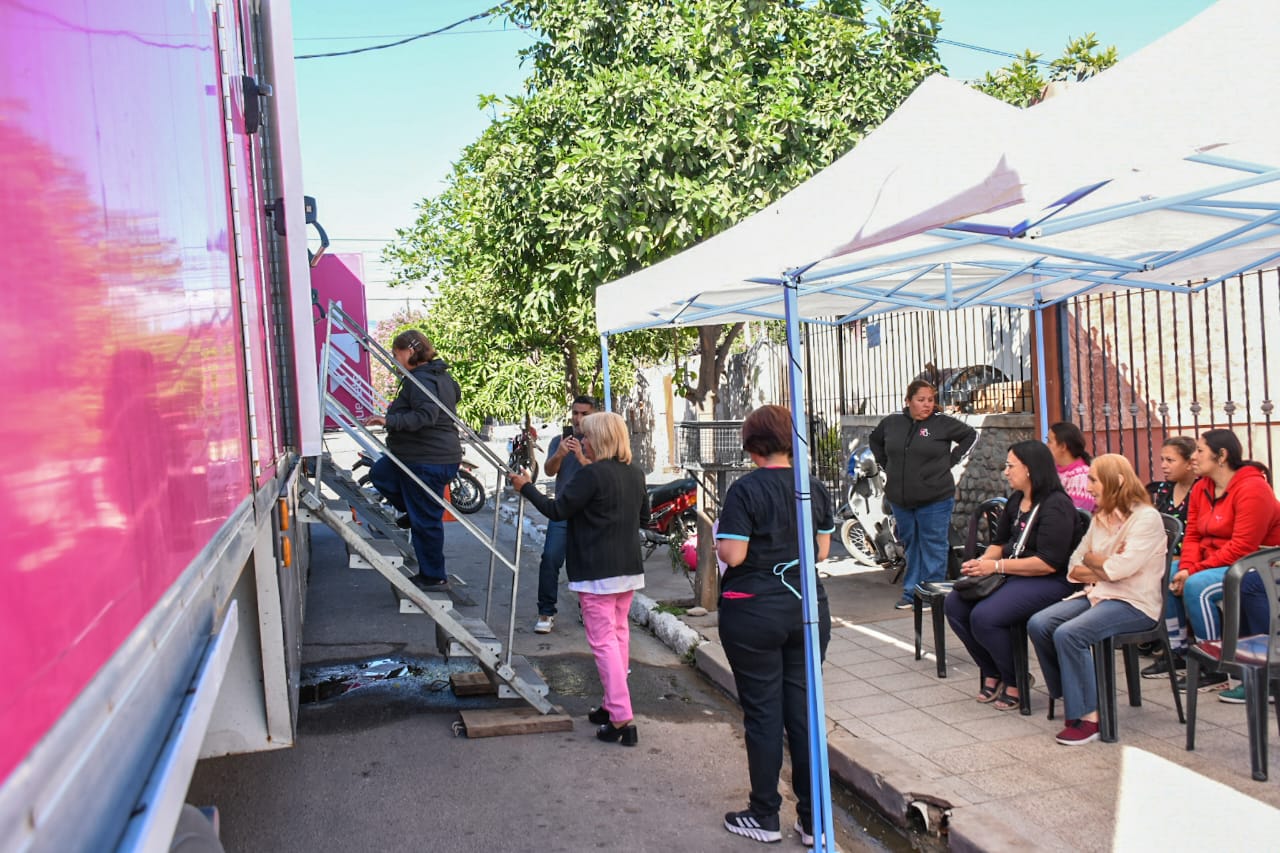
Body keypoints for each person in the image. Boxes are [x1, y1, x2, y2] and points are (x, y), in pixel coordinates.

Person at [714, 405, 836, 845]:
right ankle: (814, 819)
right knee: (804, 714)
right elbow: (822, 551)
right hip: (806, 609)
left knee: (764, 714)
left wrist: (718, 538)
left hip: (754, 612)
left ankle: (765, 814)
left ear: (752, 444)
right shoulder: (814, 487)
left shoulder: (745, 491)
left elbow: (734, 555)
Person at [510, 412, 648, 746]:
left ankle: (621, 717)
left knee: (604, 644)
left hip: (597, 572)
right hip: (627, 570)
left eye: (586, 436)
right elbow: (643, 516)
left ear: (599, 438)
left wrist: (525, 486)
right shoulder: (634, 473)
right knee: (618, 638)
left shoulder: (593, 476)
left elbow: (557, 511)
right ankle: (611, 704)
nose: (581, 440)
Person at [1028, 455, 1167, 745]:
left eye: (1093, 480)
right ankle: (1071, 691)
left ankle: (1088, 716)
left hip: (1134, 603)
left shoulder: (1146, 518)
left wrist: (1095, 562)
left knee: (1070, 633)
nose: (1088, 487)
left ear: (1115, 482)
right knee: (1040, 623)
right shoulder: (1102, 516)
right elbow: (1074, 567)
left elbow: (1119, 570)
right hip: (1099, 593)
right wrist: (1099, 562)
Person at [944, 441, 1083, 711]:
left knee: (985, 616)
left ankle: (1015, 678)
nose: (1005, 471)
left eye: (1011, 466)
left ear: (1030, 469)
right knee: (955, 604)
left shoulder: (1056, 506)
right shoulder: (1017, 500)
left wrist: (996, 568)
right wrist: (981, 564)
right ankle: (992, 670)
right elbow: (1000, 542)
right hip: (1015, 573)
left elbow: (1048, 563)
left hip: (1050, 581)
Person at [1142, 430, 1280, 688]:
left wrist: (1194, 571)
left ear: (1222, 456)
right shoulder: (1202, 487)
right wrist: (1185, 567)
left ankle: (1215, 666)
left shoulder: (1252, 488)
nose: (1193, 457)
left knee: (1197, 586)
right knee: (1167, 574)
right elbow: (1192, 534)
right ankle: (1180, 652)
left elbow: (1243, 546)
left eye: (1200, 451)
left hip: (1255, 564)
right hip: (1216, 561)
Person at [366, 330, 462, 590]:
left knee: (426, 521)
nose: (395, 361)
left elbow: (426, 415)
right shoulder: (439, 376)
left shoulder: (421, 380)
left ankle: (433, 576)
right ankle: (412, 511)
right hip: (420, 456)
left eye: (397, 355)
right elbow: (455, 396)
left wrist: (390, 420)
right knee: (381, 474)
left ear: (409, 352)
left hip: (427, 458)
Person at [870, 379, 977, 610]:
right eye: (921, 400)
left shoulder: (943, 424)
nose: (927, 405)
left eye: (930, 400)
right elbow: (874, 440)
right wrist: (886, 464)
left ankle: (932, 593)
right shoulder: (892, 423)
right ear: (908, 401)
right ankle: (911, 593)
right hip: (901, 498)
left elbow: (970, 435)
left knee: (933, 544)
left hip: (935, 497)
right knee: (911, 543)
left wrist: (952, 459)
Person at [533, 395, 596, 633]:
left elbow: (600, 472)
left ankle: (587, 608)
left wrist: (581, 455)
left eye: (584, 414)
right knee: (550, 559)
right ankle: (546, 612)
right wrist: (559, 453)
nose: (578, 419)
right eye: (575, 413)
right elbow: (549, 471)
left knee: (586, 564)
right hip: (562, 509)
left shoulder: (598, 441)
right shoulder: (559, 441)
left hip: (589, 511)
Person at [1145, 436, 1198, 535]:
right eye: (1162, 460)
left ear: (1189, 463)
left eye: (1169, 460)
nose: (1163, 465)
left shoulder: (1202, 490)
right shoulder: (1165, 489)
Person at [1047, 422, 1096, 512]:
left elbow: (1076, 514)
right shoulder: (1052, 471)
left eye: (1049, 441)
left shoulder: (1081, 477)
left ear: (1063, 446)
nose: (1047, 445)